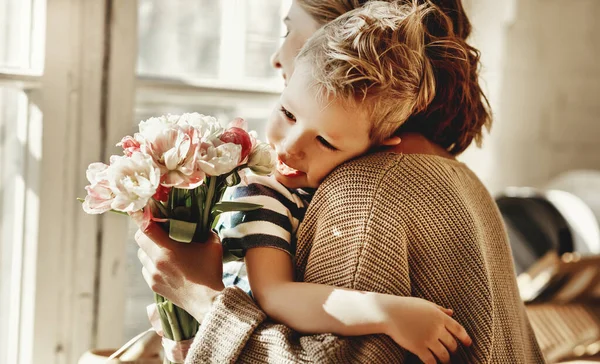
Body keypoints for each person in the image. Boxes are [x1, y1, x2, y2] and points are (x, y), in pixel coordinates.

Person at [135, 0, 546, 363]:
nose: (278, 58)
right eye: (289, 114)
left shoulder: (363, 193)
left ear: (349, 28)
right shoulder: (453, 173)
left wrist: (201, 300)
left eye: (289, 28)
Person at [216, 2, 471, 363]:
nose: (289, 148)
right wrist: (386, 313)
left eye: (325, 142)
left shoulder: (348, 191)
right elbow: (274, 294)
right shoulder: (261, 194)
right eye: (288, 113)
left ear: (380, 144)